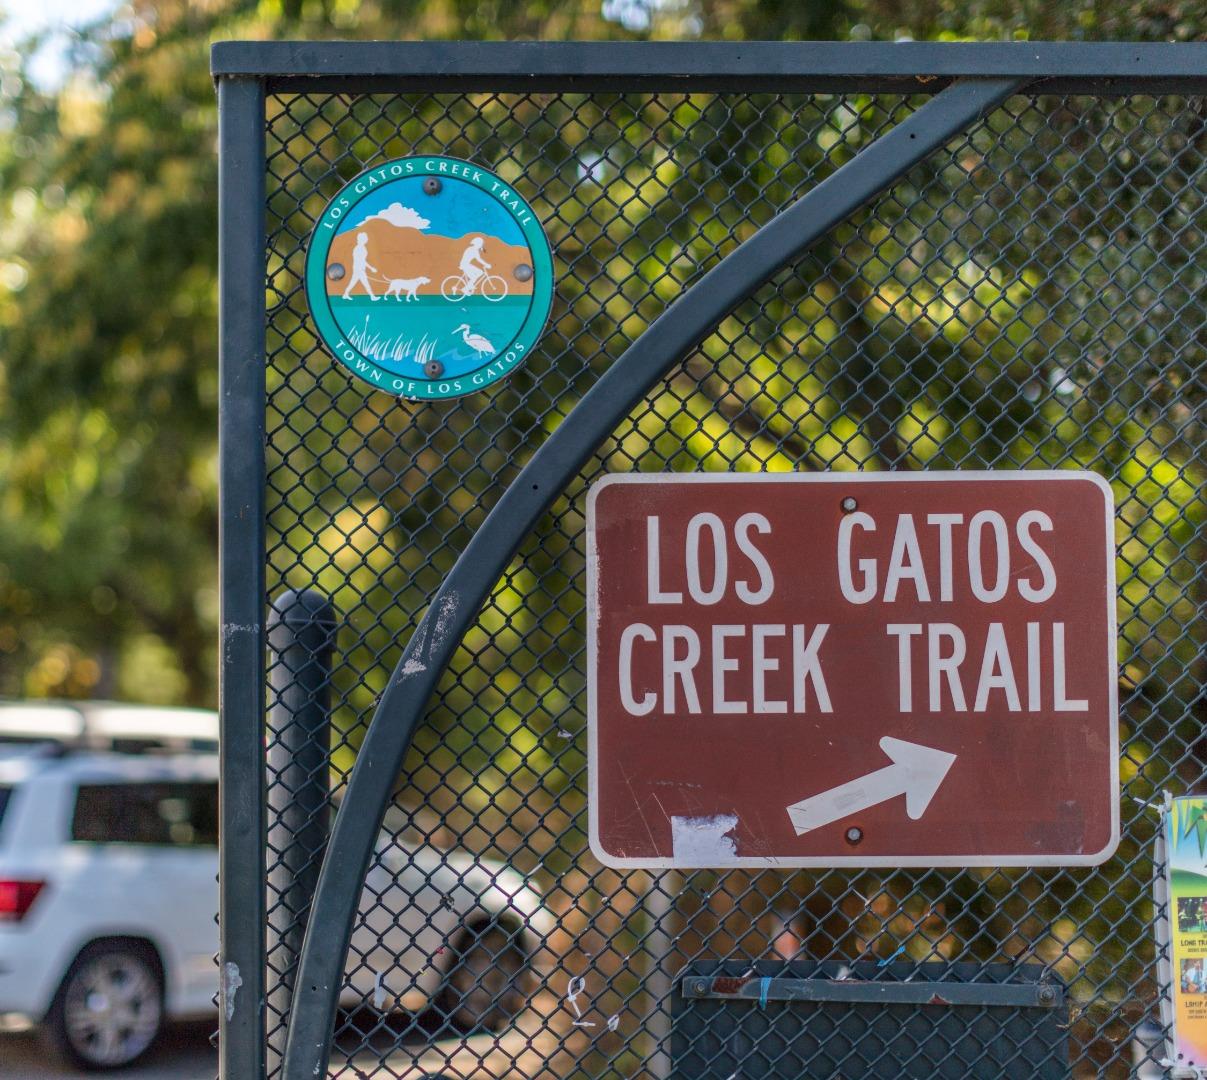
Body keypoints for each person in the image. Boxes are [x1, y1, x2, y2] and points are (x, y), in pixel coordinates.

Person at [342, 232, 378, 300]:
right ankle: (372, 296)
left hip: (358, 268)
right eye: (365, 238)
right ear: (362, 239)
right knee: (365, 283)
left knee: (353, 282)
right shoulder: (359, 248)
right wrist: (371, 268)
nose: (367, 239)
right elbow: (362, 260)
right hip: (359, 269)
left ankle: (345, 294)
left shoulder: (361, 247)